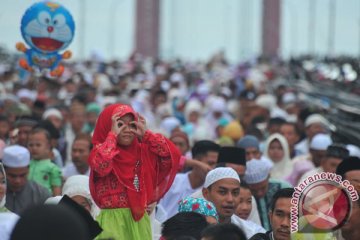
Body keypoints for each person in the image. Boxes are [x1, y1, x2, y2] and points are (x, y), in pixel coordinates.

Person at [88, 103, 181, 239]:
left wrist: (147, 135)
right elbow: (102, 166)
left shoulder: (143, 151)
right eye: (120, 124)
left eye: (132, 125)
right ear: (108, 126)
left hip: (139, 222)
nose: (127, 130)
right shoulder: (99, 151)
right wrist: (112, 136)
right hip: (112, 223)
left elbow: (171, 157)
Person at [159, 140, 220, 219]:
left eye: (216, 165)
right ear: (195, 161)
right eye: (210, 163)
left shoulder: (211, 192)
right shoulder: (173, 181)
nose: (212, 169)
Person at [202, 167, 265, 239]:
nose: (230, 199)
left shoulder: (253, 233)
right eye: (222, 192)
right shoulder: (191, 226)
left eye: (235, 193)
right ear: (206, 193)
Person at [244, 159, 292, 230]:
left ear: (268, 177)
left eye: (263, 188)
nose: (259, 193)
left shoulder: (283, 187)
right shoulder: (244, 195)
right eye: (254, 190)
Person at [3, 145, 50, 214]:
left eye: (22, 175)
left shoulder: (41, 194)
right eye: (12, 176)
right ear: (3, 171)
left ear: (28, 170)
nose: (17, 181)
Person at [27, 128, 62, 196]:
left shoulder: (52, 168)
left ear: (48, 147)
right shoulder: (26, 166)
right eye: (31, 145)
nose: (34, 148)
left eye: (38, 145)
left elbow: (56, 191)